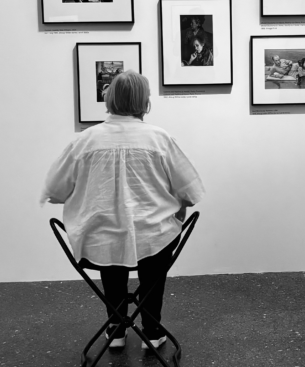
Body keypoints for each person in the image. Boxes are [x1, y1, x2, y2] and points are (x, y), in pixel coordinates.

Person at [41, 71, 204, 349]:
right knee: (154, 249)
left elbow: (54, 191)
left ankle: (116, 326)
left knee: (111, 240)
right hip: (154, 237)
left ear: (109, 98)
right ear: (145, 102)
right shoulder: (159, 139)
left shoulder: (85, 140)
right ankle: (151, 330)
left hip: (97, 240)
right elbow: (191, 191)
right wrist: (180, 207)